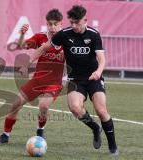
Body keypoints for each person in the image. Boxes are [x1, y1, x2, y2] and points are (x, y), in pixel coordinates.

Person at [30, 5, 118, 156]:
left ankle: (113, 146)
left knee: (101, 110)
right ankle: (95, 128)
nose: (74, 26)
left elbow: (102, 58)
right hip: (75, 78)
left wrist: (98, 72)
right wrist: (29, 61)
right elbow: (44, 48)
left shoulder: (94, 34)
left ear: (85, 20)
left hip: (93, 77)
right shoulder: (64, 34)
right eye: (71, 22)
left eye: (77, 23)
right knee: (75, 108)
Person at [0, 9, 65, 144]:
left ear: (61, 24)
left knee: (43, 106)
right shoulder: (40, 37)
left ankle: (40, 130)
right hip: (37, 80)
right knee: (16, 103)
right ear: (47, 24)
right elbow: (21, 45)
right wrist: (22, 34)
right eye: (50, 24)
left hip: (54, 83)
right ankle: (5, 134)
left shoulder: (66, 40)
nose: (52, 27)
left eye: (56, 24)